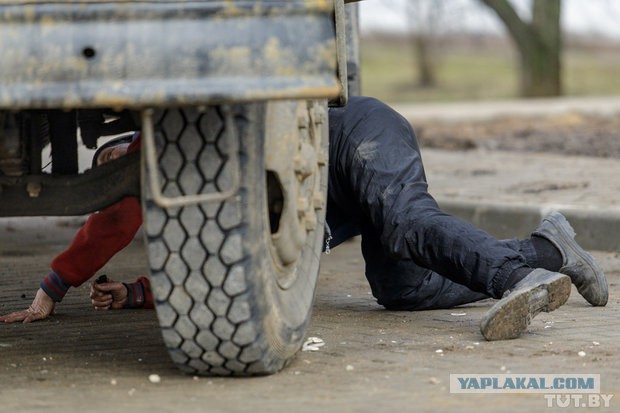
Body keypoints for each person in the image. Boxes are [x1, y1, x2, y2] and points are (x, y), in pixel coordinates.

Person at [0, 97, 608, 341]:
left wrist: (54, 286)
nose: (112, 173)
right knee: (400, 287)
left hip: (354, 137)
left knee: (402, 221)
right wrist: (135, 292)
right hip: (325, 196)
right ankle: (548, 252)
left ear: (129, 143)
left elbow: (111, 223)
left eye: (113, 160)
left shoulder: (160, 147)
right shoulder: (187, 199)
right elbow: (222, 270)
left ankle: (510, 280)